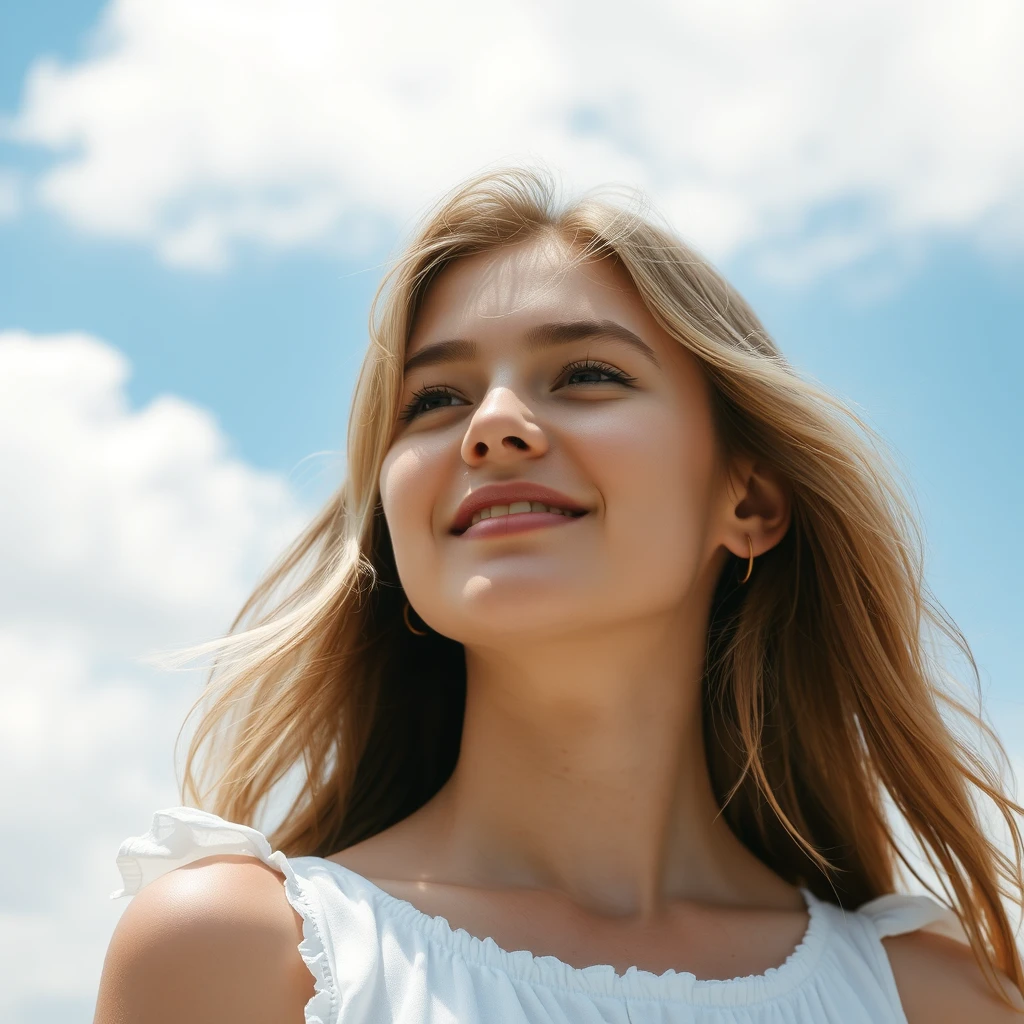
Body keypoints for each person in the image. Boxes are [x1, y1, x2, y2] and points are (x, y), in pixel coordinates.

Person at [94, 165, 1024, 1023]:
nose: (493, 424)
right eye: (434, 401)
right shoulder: (242, 955)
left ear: (749, 500)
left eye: (586, 374)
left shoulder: (941, 1000)